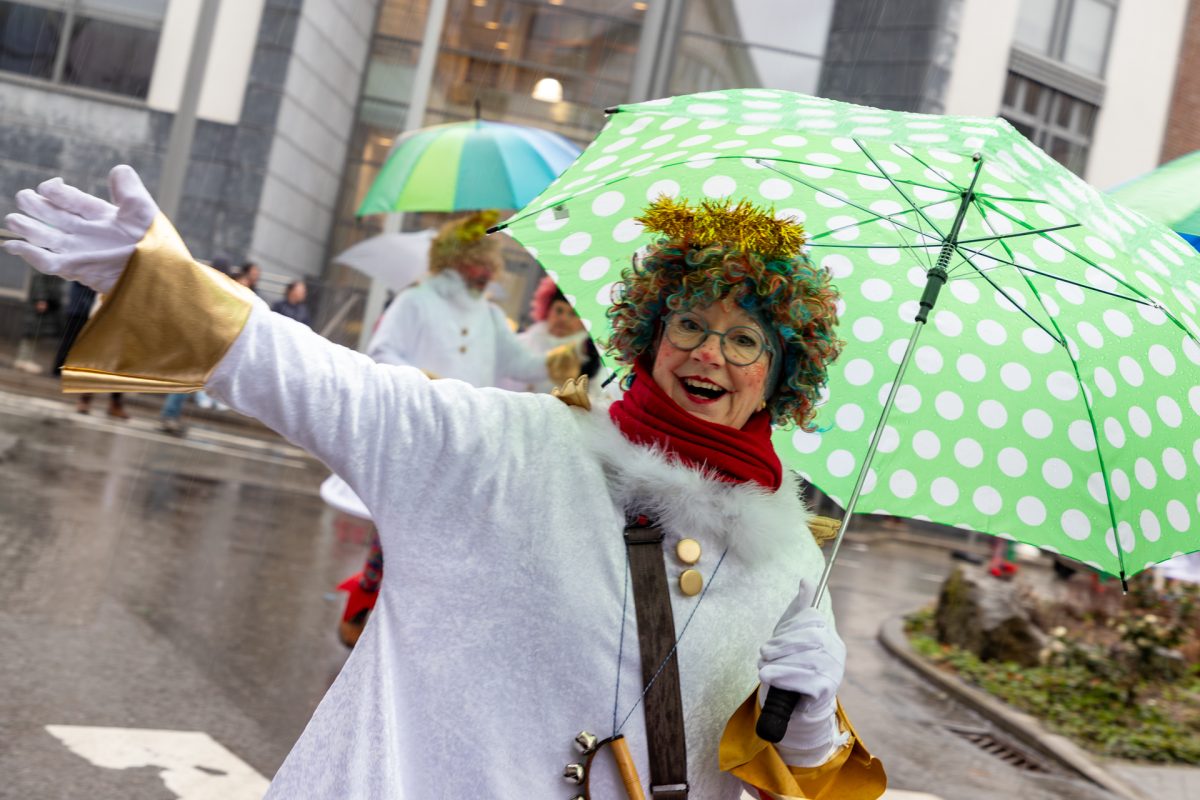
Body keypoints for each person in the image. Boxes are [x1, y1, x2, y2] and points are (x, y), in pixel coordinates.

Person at [4, 166, 886, 800]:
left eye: (745, 341)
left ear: (779, 376)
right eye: (690, 321)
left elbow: (803, 787)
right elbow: (332, 385)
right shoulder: (505, 446)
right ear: (648, 335)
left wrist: (806, 724)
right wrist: (166, 286)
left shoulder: (788, 569)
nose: (708, 354)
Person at [334, 212, 583, 646]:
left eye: (490, 261)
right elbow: (382, 353)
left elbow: (517, 362)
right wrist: (421, 378)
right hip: (420, 435)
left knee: (449, 536)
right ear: (454, 260)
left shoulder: (488, 314)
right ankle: (365, 609)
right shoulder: (416, 301)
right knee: (395, 531)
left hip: (471, 441)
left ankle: (418, 622)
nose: (485, 270)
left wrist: (553, 361)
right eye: (476, 260)